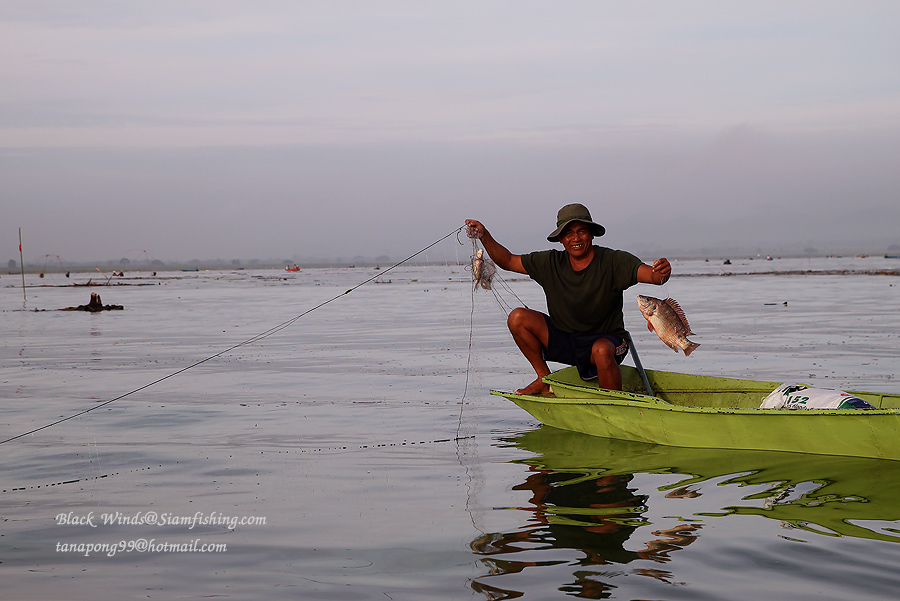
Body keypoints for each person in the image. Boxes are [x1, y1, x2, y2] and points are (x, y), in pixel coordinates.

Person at [466, 203, 671, 395]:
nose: (575, 238)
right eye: (568, 233)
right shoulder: (550, 262)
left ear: (591, 234)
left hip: (607, 343)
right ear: (561, 239)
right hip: (565, 340)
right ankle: (544, 378)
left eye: (581, 231)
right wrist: (484, 235)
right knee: (517, 318)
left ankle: (613, 403)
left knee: (601, 350)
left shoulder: (614, 261)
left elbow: (653, 276)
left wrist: (662, 271)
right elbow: (508, 260)